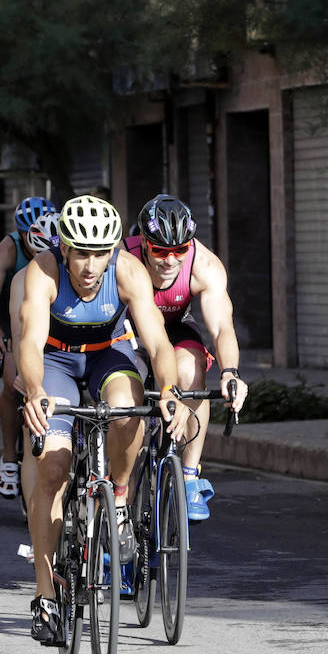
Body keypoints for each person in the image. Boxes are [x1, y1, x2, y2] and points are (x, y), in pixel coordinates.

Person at [16, 194, 183, 644]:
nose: (90, 267)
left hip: (108, 355)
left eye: (99, 254)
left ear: (113, 251)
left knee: (131, 409)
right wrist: (34, 391)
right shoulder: (43, 272)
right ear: (65, 248)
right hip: (56, 361)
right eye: (81, 253)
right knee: (52, 465)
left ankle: (121, 501)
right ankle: (46, 595)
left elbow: (159, 342)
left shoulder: (128, 270)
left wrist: (168, 391)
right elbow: (30, 343)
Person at [123, 195, 248, 521]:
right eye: (161, 251)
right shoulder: (123, 257)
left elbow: (222, 328)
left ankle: (190, 475)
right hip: (128, 330)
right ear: (143, 242)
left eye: (179, 250)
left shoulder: (204, 266)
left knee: (192, 372)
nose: (170, 260)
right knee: (128, 390)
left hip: (176, 328)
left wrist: (230, 372)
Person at [0, 196, 55, 500]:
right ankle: (10, 457)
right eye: (28, 234)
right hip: (15, 318)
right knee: (13, 384)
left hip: (50, 315)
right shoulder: (8, 249)